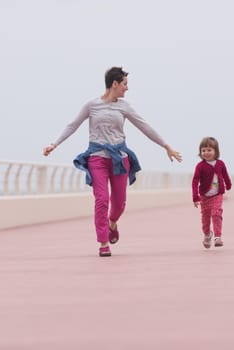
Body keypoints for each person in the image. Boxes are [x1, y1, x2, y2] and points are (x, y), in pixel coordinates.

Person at [43, 67, 182, 257]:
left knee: (119, 204)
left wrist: (166, 146)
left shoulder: (124, 106)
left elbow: (144, 126)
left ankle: (112, 223)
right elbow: (72, 125)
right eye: (125, 84)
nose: (127, 88)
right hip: (97, 157)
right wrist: (54, 144)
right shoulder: (91, 105)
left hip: (119, 159)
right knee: (102, 200)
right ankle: (103, 243)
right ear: (114, 84)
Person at [191, 137, 232, 249]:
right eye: (203, 150)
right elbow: (195, 181)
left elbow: (225, 175)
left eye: (209, 150)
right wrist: (195, 197)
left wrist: (228, 184)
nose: (206, 153)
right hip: (204, 196)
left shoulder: (220, 164)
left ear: (216, 151)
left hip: (217, 194)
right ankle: (207, 234)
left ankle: (217, 237)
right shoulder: (200, 166)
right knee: (205, 219)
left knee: (216, 213)